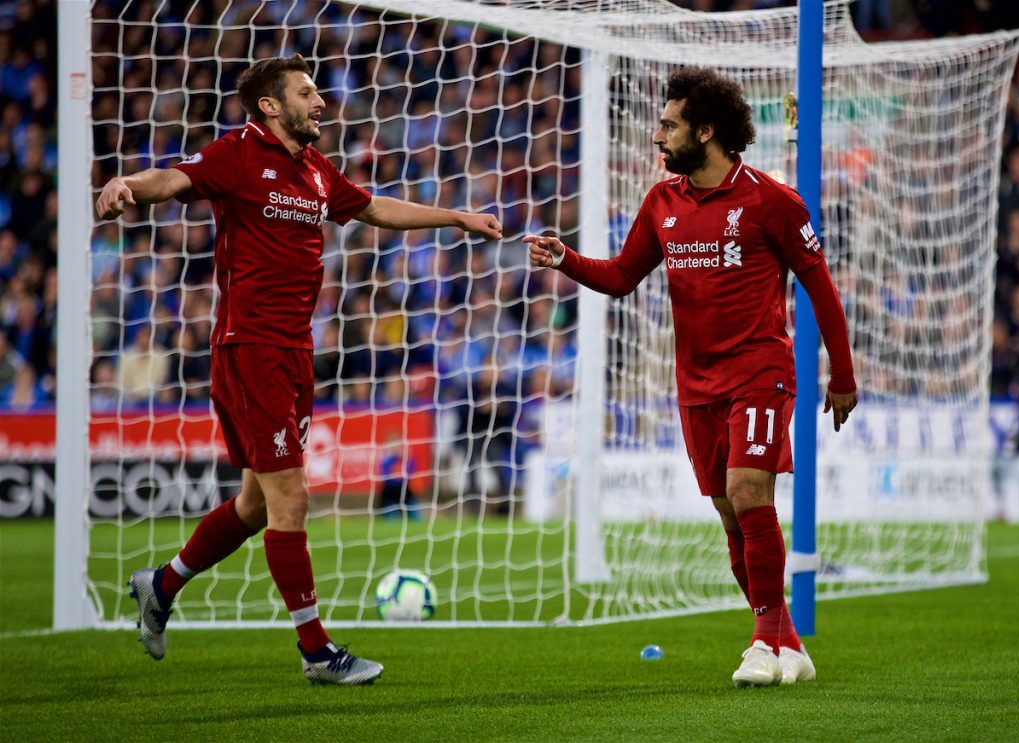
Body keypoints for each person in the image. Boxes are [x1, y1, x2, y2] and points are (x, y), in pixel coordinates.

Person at [96, 54, 502, 686]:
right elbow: (172, 179)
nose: (321, 102)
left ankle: (162, 584)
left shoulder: (314, 170)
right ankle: (317, 652)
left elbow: (375, 208)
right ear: (270, 106)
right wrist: (126, 185)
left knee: (257, 503)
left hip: (294, 351)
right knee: (292, 496)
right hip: (249, 347)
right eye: (307, 93)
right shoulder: (239, 154)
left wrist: (456, 217)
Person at [526, 67, 857, 688]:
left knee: (751, 492)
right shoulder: (662, 202)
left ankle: (761, 643)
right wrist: (566, 259)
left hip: (759, 369)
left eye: (669, 125)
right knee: (731, 511)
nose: (657, 137)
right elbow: (623, 276)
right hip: (695, 382)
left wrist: (842, 373)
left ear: (706, 131)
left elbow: (820, 287)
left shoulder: (771, 200)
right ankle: (787, 640)